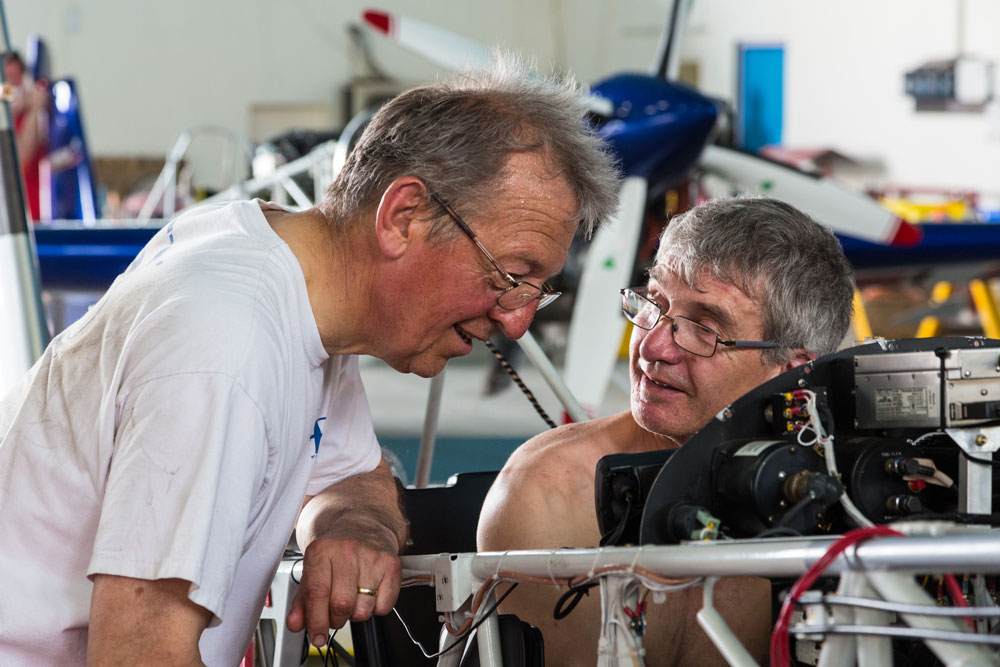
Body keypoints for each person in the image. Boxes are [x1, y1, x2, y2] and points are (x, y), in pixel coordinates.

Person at [0, 57, 620, 666]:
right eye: (510, 275)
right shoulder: (225, 346)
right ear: (403, 217)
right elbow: (138, 654)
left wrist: (356, 528)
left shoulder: (299, 286)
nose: (517, 321)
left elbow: (352, 475)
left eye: (536, 291)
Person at [477, 196, 855, 666]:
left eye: (703, 328)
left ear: (792, 371)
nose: (653, 347)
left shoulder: (848, 494)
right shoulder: (550, 491)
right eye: (653, 304)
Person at [4, 50, 48, 221]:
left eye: (16, 77)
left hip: (32, 211)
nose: (13, 84)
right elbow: (21, 157)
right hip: (10, 215)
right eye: (7, 78)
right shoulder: (7, 115)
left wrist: (34, 107)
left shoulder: (31, 111)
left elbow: (24, 157)